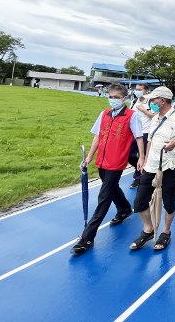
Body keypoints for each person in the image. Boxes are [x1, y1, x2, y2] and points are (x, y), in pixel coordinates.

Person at [71, 83, 144, 255]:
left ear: (125, 98)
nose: (113, 100)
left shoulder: (132, 116)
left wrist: (142, 156)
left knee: (103, 197)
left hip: (117, 162)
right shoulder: (104, 114)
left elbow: (139, 137)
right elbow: (98, 136)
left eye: (117, 97)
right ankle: (125, 208)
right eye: (110, 97)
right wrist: (88, 157)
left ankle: (87, 237)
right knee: (111, 188)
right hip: (101, 161)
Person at [130, 87, 175, 251]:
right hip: (151, 166)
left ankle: (166, 231)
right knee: (139, 201)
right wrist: (143, 158)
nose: (151, 103)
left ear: (162, 101)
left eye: (153, 100)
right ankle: (148, 229)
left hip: (170, 167)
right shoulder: (155, 118)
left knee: (169, 201)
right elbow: (150, 140)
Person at [128, 83, 155, 188]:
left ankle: (139, 177)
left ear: (146, 91)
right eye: (136, 89)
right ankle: (140, 169)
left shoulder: (151, 102)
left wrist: (143, 110)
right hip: (133, 132)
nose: (137, 91)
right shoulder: (134, 101)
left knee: (142, 156)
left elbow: (156, 116)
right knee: (129, 156)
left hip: (145, 132)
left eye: (140, 89)